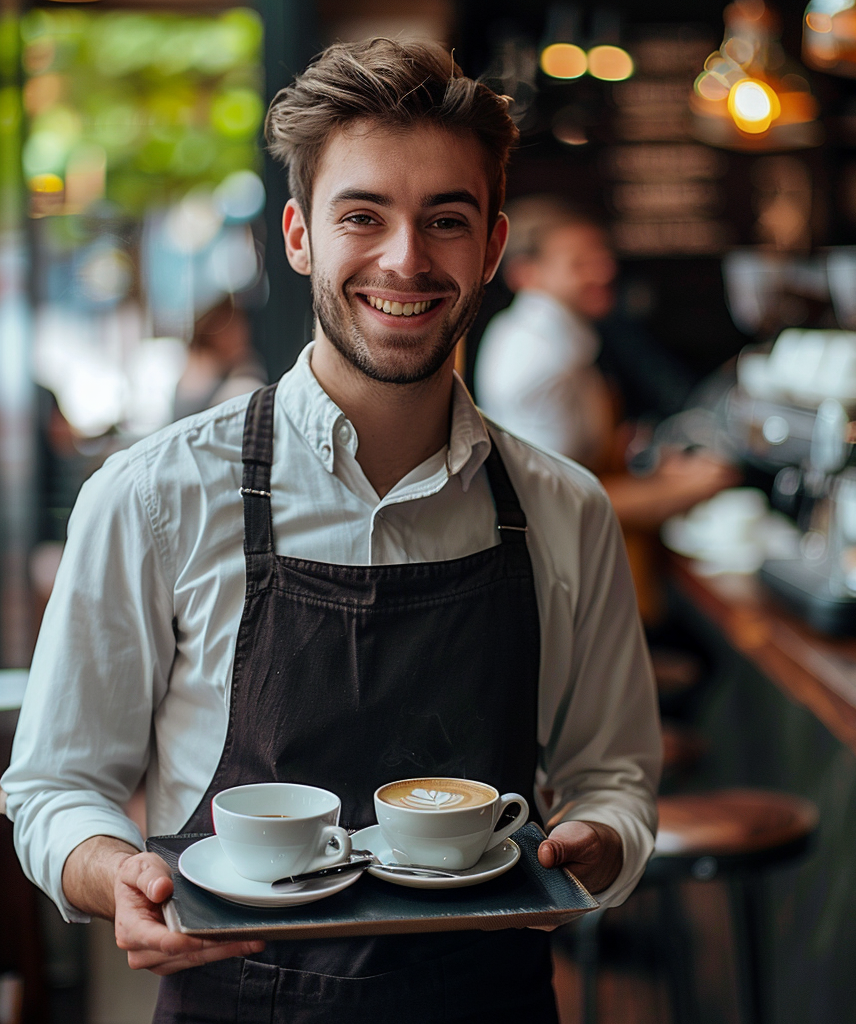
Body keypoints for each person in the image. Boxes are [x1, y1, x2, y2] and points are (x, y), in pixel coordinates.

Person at [2, 39, 660, 1024]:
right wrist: (118, 877)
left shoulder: (566, 510)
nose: (406, 258)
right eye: (365, 215)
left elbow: (614, 776)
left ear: (491, 247)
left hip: (488, 1001)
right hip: (233, 998)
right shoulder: (151, 495)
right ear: (300, 235)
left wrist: (599, 843)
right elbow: (56, 787)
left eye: (446, 219)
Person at [475, 197, 738, 619]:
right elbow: (553, 504)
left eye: (602, 257)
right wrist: (691, 487)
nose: (604, 270)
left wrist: (651, 468)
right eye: (579, 263)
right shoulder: (539, 363)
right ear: (527, 273)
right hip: (563, 591)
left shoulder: (558, 339)